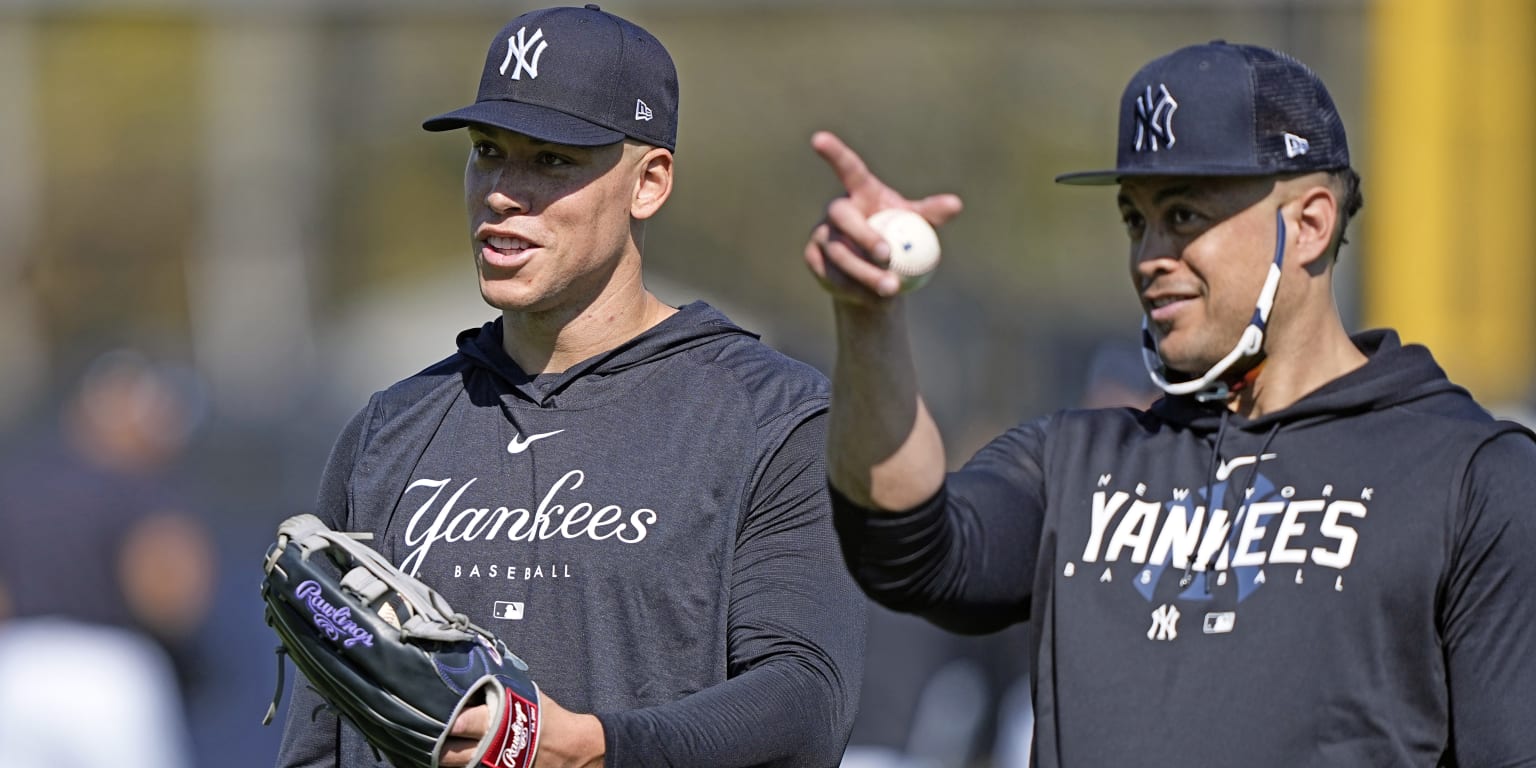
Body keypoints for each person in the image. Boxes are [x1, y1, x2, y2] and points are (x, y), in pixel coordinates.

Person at [802, 41, 1536, 766]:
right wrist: (869, 319)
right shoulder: (1076, 462)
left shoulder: (1469, 475)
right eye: (1136, 220)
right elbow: (908, 551)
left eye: (1183, 216)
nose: (1150, 253)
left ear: (1309, 223)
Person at [274, 5, 866, 767]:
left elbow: (806, 702)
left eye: (551, 161)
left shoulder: (771, 418)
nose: (502, 191)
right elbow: (317, 744)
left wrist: (594, 750)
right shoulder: (390, 431)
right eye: (488, 151)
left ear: (648, 183)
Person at [0, 348, 214, 768]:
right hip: (111, 673)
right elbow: (168, 590)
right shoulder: (138, 488)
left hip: (15, 671)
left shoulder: (16, 481)